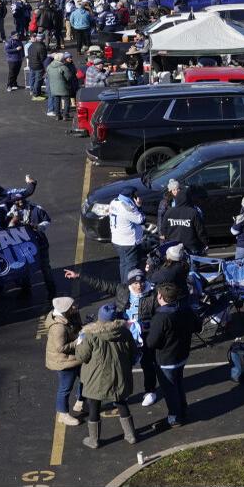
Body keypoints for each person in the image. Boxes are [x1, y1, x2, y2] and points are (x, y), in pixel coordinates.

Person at [74, 302, 138, 448]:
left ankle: (94, 440)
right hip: (119, 376)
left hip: (96, 378)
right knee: (122, 403)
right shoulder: (125, 332)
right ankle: (130, 435)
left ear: (99, 318)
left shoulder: (90, 335)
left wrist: (79, 343)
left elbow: (82, 357)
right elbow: (134, 353)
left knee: (94, 406)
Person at [146, 283, 197, 429]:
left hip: (166, 359)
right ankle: (183, 409)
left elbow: (151, 343)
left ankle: (174, 418)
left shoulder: (161, 317)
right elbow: (197, 326)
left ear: (160, 296)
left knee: (170, 389)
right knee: (179, 383)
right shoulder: (185, 310)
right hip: (182, 355)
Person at [44, 296, 85, 424]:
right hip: (64, 361)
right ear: (65, 310)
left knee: (85, 378)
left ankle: (81, 402)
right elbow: (61, 348)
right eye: (72, 306)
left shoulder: (68, 316)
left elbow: (76, 327)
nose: (75, 307)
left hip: (74, 357)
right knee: (65, 388)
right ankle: (63, 414)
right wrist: (77, 341)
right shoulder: (58, 328)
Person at [106, 192, 147, 279]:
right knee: (131, 267)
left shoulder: (114, 202)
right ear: (133, 196)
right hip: (128, 242)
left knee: (123, 264)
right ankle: (127, 287)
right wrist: (139, 206)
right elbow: (141, 220)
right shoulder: (127, 207)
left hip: (117, 240)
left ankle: (123, 285)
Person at [158, 185, 206, 257]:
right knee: (192, 267)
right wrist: (204, 243)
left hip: (174, 248)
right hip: (191, 247)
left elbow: (164, 230)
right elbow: (200, 231)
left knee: (177, 267)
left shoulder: (169, 212)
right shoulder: (193, 212)